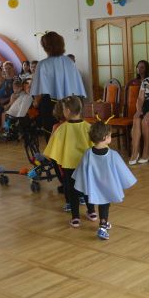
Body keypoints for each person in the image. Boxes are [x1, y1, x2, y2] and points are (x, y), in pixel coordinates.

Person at [73, 121, 137, 240]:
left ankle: (101, 221)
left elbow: (82, 170)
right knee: (104, 203)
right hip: (107, 185)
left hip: (93, 185)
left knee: (97, 200)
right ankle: (102, 226)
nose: (110, 137)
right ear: (105, 137)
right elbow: (121, 170)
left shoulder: (88, 153)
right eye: (110, 135)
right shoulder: (113, 154)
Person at [43, 96, 95, 226]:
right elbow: (96, 145)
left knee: (72, 190)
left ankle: (76, 218)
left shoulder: (62, 128)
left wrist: (48, 157)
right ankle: (92, 212)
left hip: (69, 165)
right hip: (85, 165)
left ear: (66, 111)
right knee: (87, 188)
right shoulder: (88, 127)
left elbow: (52, 148)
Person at [31, 31, 86, 133]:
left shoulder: (42, 64)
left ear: (46, 47)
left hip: (50, 105)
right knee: (69, 133)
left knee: (52, 135)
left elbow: (39, 90)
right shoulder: (69, 62)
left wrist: (36, 102)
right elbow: (76, 86)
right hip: (70, 104)